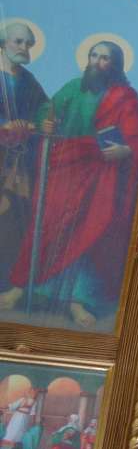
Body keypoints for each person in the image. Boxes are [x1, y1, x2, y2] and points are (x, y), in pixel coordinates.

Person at [0, 41, 138, 326]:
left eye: (104, 58)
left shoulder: (125, 97)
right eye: (94, 56)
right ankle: (22, 289)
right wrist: (46, 123)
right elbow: (47, 110)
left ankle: (78, 301)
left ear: (115, 64)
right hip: (66, 170)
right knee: (48, 227)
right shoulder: (73, 87)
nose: (97, 62)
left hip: (102, 176)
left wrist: (122, 149)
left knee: (88, 232)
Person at [0, 22, 48, 285]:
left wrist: (41, 122)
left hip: (19, 163)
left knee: (15, 218)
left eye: (28, 44)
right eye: (18, 42)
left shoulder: (28, 80)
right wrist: (4, 125)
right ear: (3, 43)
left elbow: (44, 109)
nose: (24, 48)